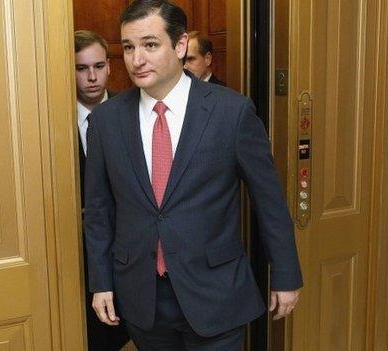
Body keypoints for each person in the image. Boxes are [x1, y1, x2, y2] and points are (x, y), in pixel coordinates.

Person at [84, 1, 303, 349]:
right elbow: (98, 210)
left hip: (215, 293)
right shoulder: (106, 121)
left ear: (181, 44)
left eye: (150, 45)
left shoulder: (232, 112)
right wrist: (101, 282)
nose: (136, 59)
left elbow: (269, 201)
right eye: (128, 47)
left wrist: (287, 275)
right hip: (142, 296)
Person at [74, 29, 130, 351]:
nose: (92, 77)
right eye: (81, 69)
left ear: (109, 66)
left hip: (128, 251)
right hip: (74, 253)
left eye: (98, 66)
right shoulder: (50, 121)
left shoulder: (132, 113)